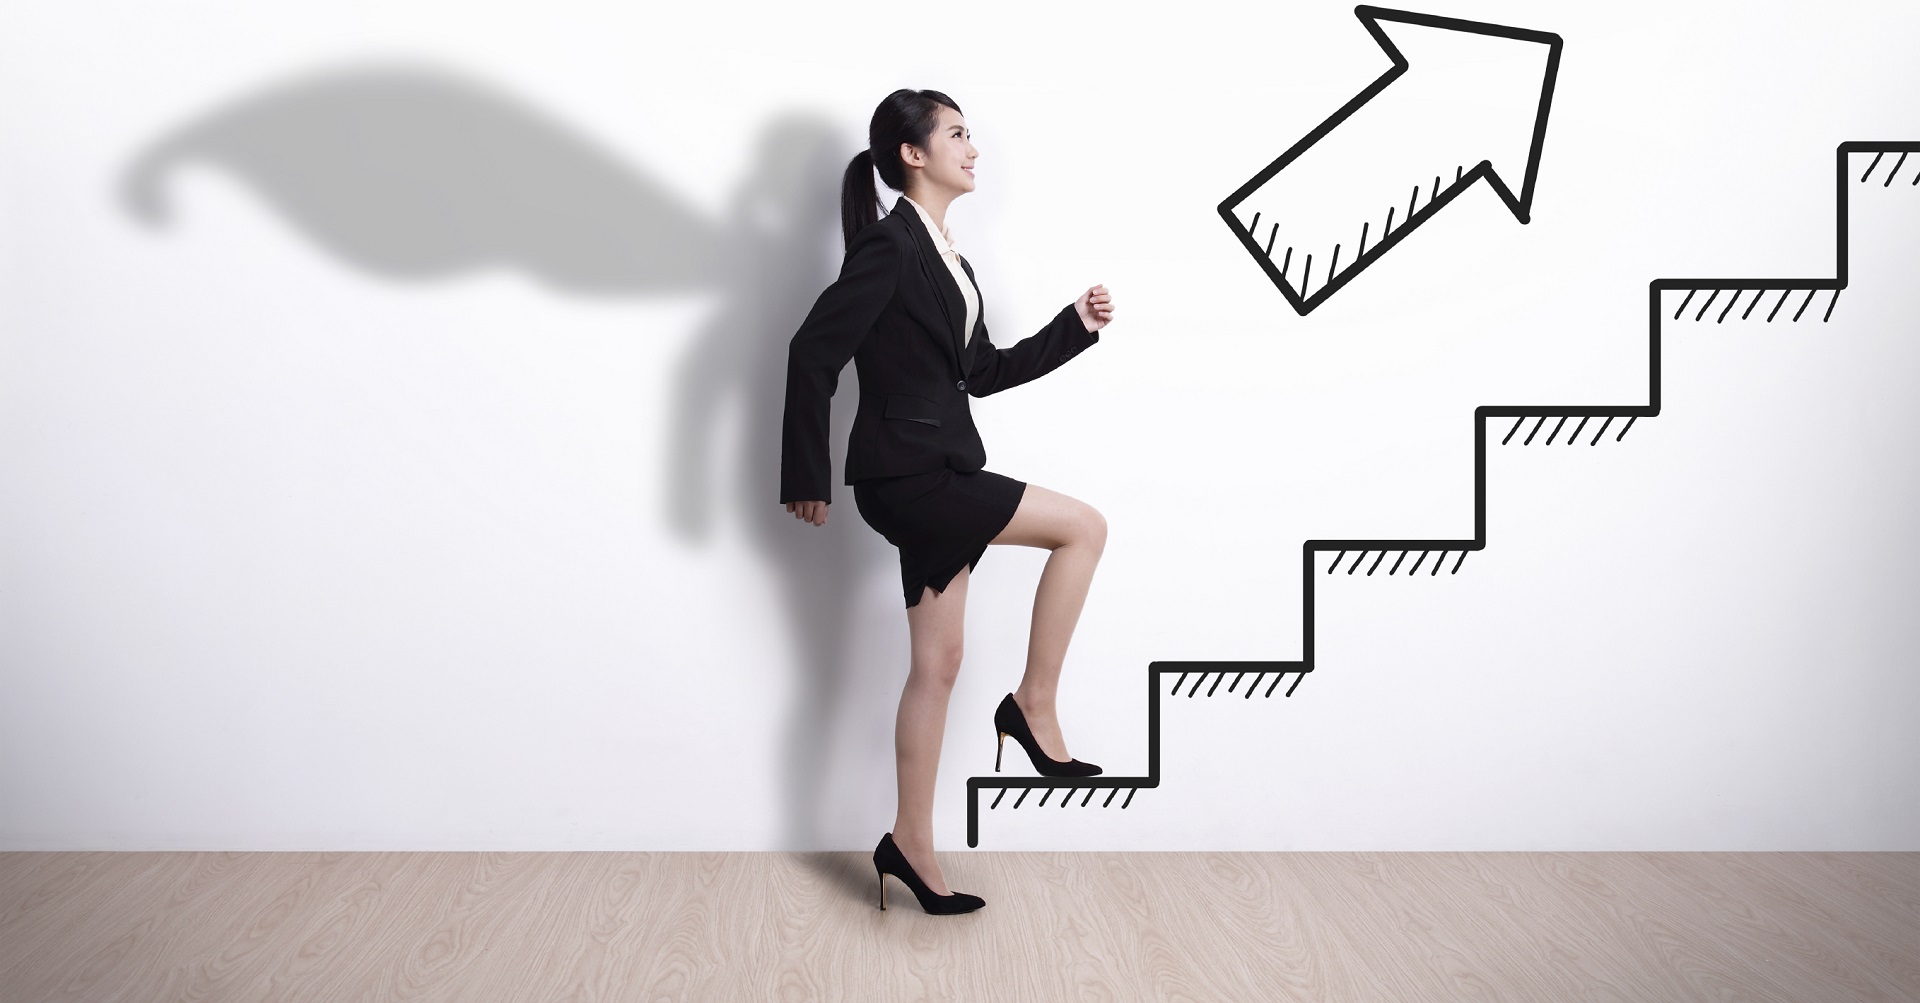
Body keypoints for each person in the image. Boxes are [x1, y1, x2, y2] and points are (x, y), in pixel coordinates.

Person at [779, 88, 1115, 915]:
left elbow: (982, 372)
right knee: (1083, 527)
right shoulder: (891, 246)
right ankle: (1032, 705)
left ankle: (909, 844)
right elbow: (811, 351)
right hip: (913, 476)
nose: (975, 147)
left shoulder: (948, 257)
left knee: (937, 664)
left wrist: (1073, 324)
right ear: (912, 154)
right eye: (958, 134)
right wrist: (807, 478)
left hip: (931, 467)